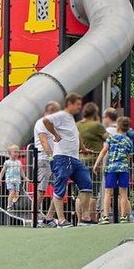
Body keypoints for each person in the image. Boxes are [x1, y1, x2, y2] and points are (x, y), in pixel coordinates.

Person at [41, 94, 90, 227]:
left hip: (74, 158)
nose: (80, 107)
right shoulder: (61, 115)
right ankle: (61, 220)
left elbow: (76, 135)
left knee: (86, 183)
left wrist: (83, 148)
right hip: (63, 156)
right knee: (60, 187)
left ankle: (85, 218)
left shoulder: (70, 118)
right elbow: (46, 120)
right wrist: (55, 134)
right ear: (70, 104)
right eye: (77, 104)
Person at [76, 102, 106, 223]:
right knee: (93, 192)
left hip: (80, 159)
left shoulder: (77, 125)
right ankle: (91, 218)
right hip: (94, 161)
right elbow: (109, 138)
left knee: (80, 192)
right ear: (95, 113)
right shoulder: (96, 126)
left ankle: (79, 220)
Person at [99, 125, 132, 223]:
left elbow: (104, 151)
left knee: (108, 192)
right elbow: (129, 156)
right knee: (123, 193)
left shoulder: (111, 139)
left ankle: (105, 216)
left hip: (112, 168)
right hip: (123, 168)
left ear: (118, 128)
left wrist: (97, 164)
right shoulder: (128, 140)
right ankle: (123, 216)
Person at [32, 101, 58, 208]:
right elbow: (43, 141)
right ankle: (35, 214)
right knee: (41, 189)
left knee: (59, 188)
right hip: (43, 158)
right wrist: (51, 157)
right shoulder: (41, 123)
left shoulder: (51, 124)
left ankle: (49, 215)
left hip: (51, 159)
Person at [0, 145, 25, 212]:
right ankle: (9, 206)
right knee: (12, 192)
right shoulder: (7, 162)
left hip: (17, 180)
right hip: (10, 180)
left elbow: (21, 171)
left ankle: (12, 203)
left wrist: (25, 177)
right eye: (15, 152)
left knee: (16, 195)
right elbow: (2, 171)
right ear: (10, 153)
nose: (16, 154)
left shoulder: (19, 162)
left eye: (17, 152)